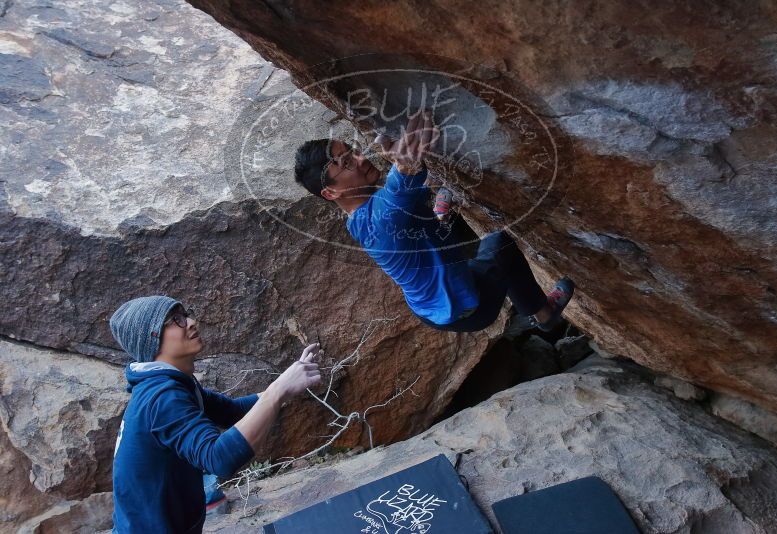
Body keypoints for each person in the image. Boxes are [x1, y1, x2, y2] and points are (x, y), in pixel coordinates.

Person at [293, 111, 574, 333]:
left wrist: (404, 171)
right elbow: (394, 200)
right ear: (331, 192)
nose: (360, 158)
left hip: (434, 303)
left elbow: (401, 199)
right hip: (467, 308)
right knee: (499, 245)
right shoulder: (379, 222)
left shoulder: (359, 217)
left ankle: (441, 217)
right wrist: (402, 166)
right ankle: (544, 314)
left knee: (424, 219)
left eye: (352, 150)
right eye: (346, 163)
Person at [109, 295, 321, 533]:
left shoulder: (171, 383)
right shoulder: (162, 397)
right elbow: (218, 458)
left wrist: (287, 383)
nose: (191, 322)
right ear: (152, 338)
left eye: (185, 314)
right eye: (176, 319)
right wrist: (277, 391)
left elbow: (233, 412)